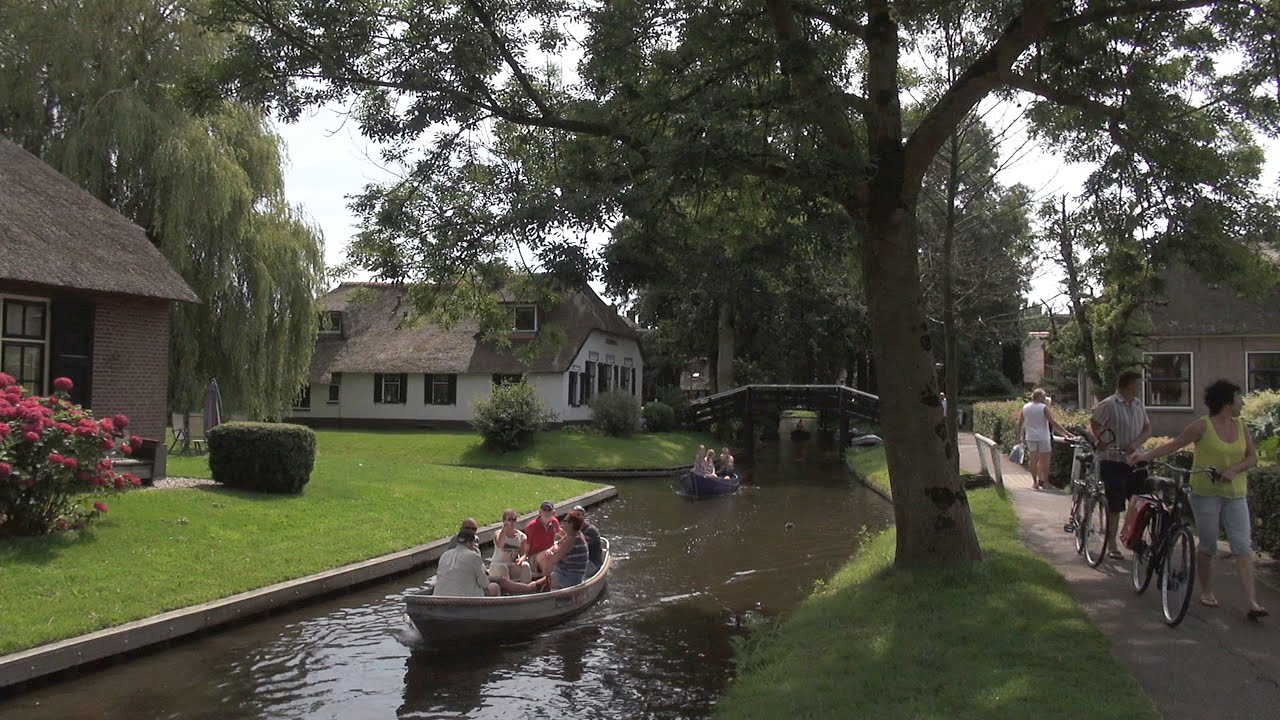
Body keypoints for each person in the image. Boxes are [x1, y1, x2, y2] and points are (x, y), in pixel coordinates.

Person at [1130, 380, 1267, 619]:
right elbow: (1174, 444)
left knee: (1242, 545)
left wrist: (1234, 469)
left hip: (1235, 494)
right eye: (1239, 398)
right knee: (1209, 544)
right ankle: (1207, 591)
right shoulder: (1202, 426)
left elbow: (1252, 458)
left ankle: (1253, 602)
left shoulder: (1242, 425)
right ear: (1227, 403)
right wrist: (1145, 456)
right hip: (1206, 494)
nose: (1243, 402)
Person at [1090, 370, 1152, 559]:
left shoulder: (1138, 404)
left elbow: (1147, 428)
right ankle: (1112, 545)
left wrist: (1136, 443)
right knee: (1115, 504)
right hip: (1114, 460)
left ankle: (1133, 539)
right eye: (1137, 384)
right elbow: (1094, 422)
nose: (1139, 387)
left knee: (1139, 503)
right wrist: (1102, 440)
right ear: (1128, 385)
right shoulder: (1109, 404)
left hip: (1135, 459)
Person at [1016, 388, 1077, 490]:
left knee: (1033, 459)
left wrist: (1019, 437)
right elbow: (1053, 422)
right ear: (1040, 397)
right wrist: (1067, 433)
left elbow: (1020, 423)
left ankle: (1035, 482)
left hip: (1030, 436)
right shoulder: (1043, 408)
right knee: (1045, 460)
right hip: (1043, 436)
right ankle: (1045, 482)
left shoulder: (1025, 407)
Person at [434, 520, 500, 597]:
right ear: (471, 542)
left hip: (439, 598)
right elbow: (484, 583)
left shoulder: (444, 555)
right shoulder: (473, 556)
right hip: (465, 599)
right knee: (494, 587)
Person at [489, 508, 532, 583]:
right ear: (504, 521)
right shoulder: (498, 533)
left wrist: (521, 559)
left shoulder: (521, 536)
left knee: (525, 566)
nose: (512, 522)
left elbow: (523, 554)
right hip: (497, 565)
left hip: (512, 566)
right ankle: (508, 591)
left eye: (514, 519)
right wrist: (504, 530)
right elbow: (500, 545)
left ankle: (525, 590)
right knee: (503, 568)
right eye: (509, 520)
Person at [523, 500, 561, 567]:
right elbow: (526, 546)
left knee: (560, 549)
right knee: (548, 554)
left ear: (553, 513)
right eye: (544, 510)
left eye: (549, 510)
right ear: (540, 512)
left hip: (550, 552)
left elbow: (563, 534)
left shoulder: (554, 522)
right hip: (534, 557)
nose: (546, 512)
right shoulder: (532, 526)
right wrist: (524, 557)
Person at [572, 504, 604, 575]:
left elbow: (579, 548)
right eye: (574, 515)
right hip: (580, 560)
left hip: (592, 563)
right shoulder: (573, 529)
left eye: (579, 515)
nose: (576, 517)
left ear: (584, 516)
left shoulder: (590, 531)